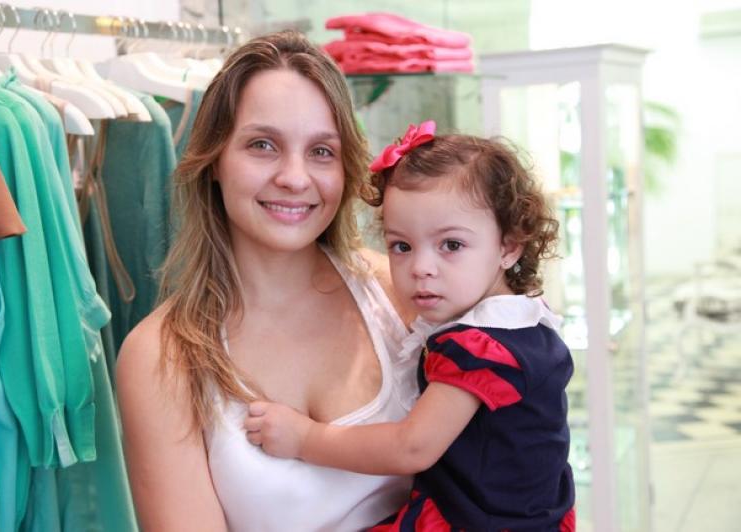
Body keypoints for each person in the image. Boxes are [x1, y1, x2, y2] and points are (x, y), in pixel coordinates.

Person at [116, 31, 421, 531]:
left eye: (321, 151)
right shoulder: (161, 356)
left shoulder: (402, 294)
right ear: (214, 160)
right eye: (263, 145)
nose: (295, 178)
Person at [245, 121, 577, 531]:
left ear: (508, 247)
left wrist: (304, 438)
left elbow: (411, 447)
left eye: (451, 245)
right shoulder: (526, 322)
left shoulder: (480, 348)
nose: (421, 267)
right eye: (401, 246)